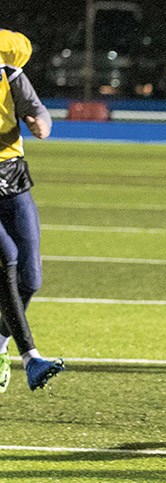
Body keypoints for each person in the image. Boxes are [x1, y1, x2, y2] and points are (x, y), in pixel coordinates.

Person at [0, 29, 64, 393]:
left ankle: (0, 346)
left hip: (13, 179)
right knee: (6, 258)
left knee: (31, 277)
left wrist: (39, 123)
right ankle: (32, 358)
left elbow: (42, 121)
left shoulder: (11, 76)